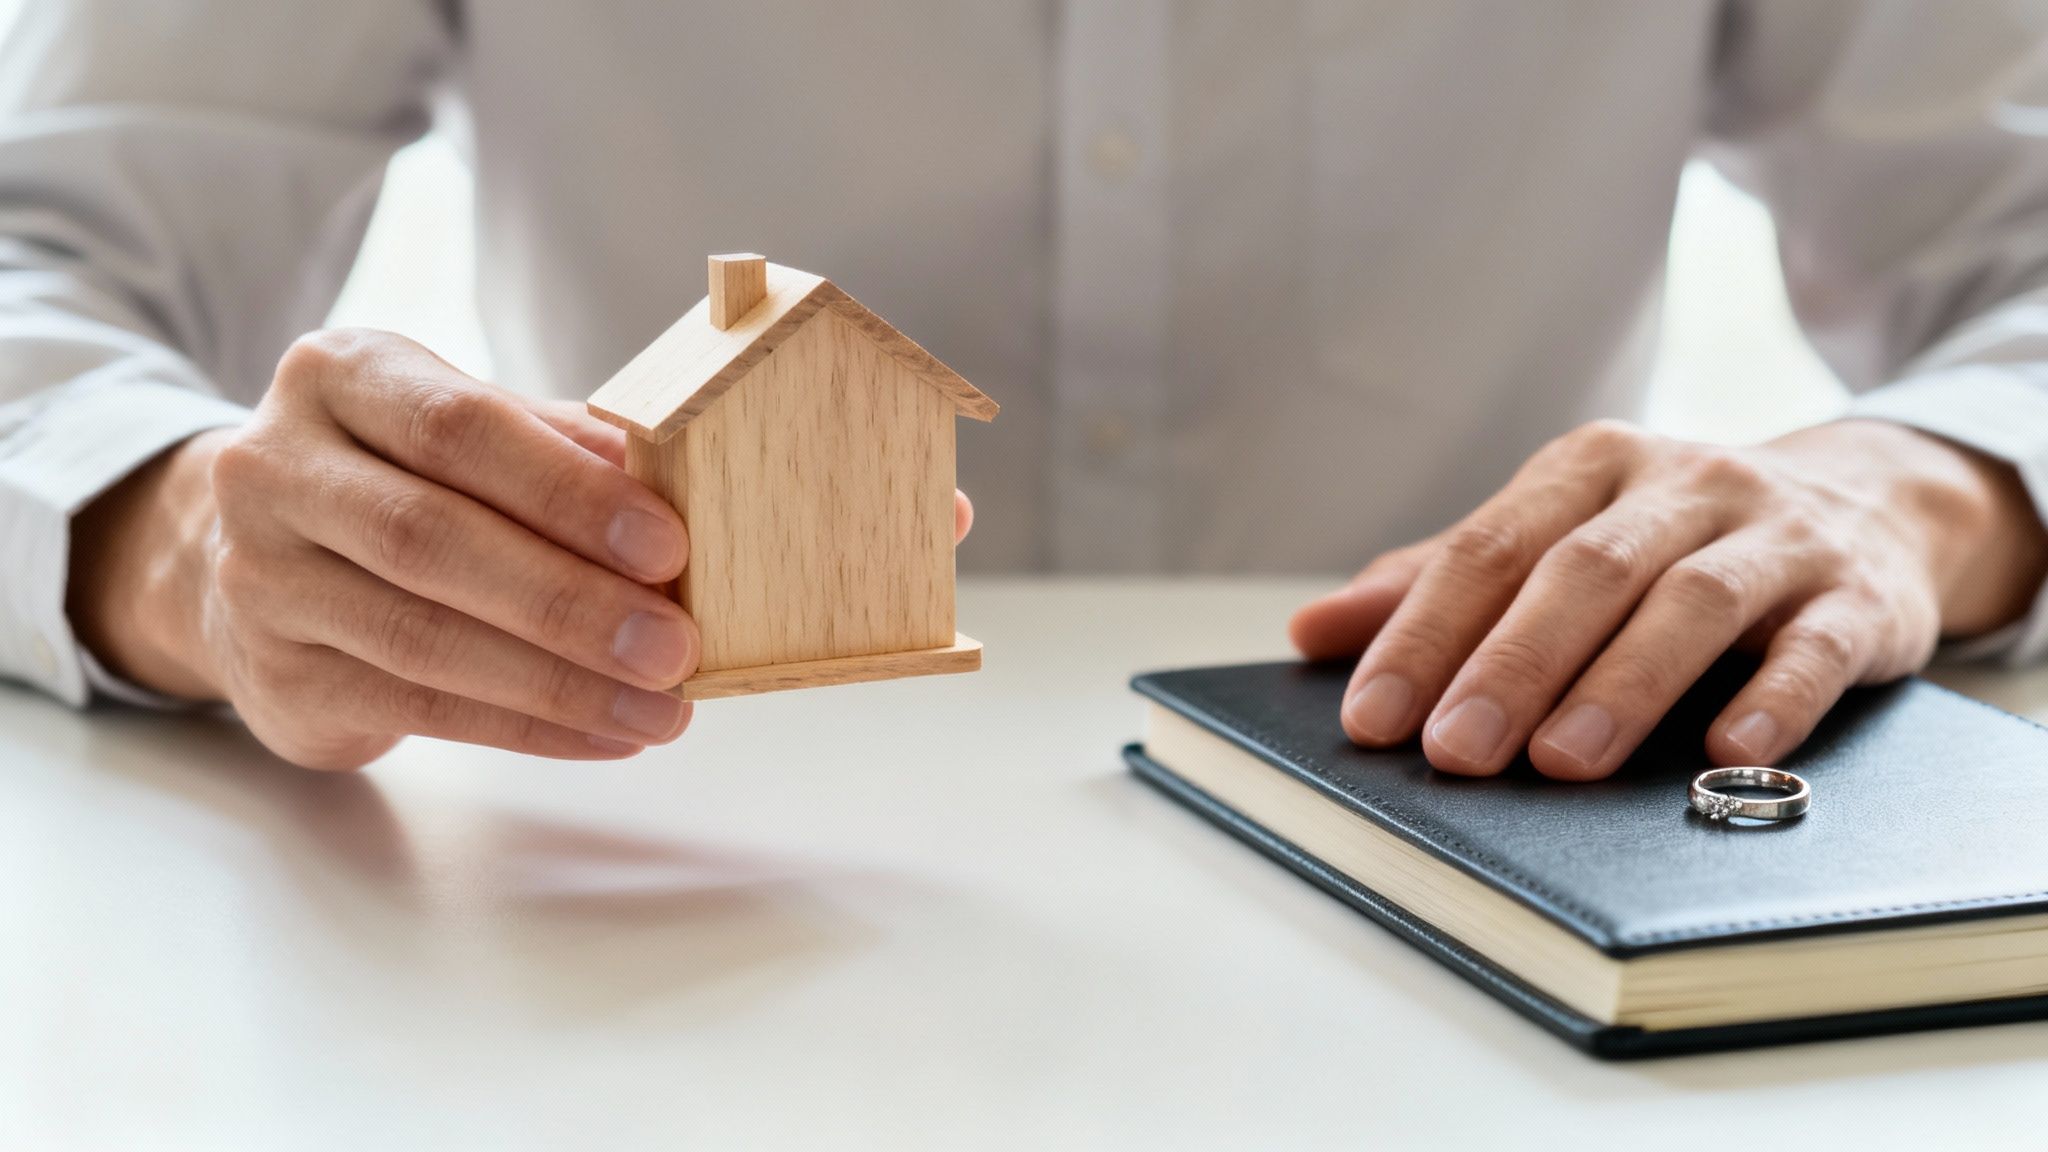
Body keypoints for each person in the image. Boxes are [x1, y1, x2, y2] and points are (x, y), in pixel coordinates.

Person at [3, 1, 2046, 774]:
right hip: (663, 902)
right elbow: (45, 257)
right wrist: (184, 533)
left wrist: (1915, 484)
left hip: (1480, 859)